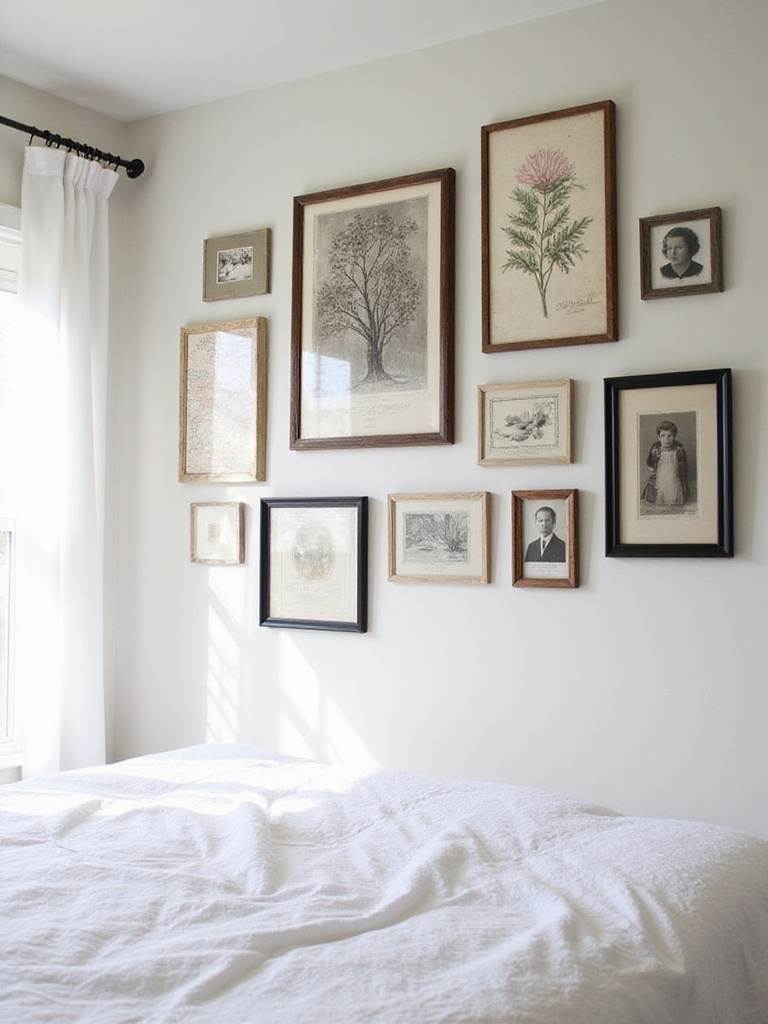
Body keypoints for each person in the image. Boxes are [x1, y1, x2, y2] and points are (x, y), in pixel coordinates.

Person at [642, 420, 689, 506]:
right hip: (660, 474)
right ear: (658, 437)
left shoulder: (679, 449)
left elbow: (683, 465)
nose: (666, 439)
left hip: (674, 475)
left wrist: (681, 472)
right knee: (660, 491)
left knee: (673, 489)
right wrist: (652, 469)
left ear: (674, 436)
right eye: (663, 436)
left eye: (669, 436)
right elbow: (649, 461)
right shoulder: (655, 448)